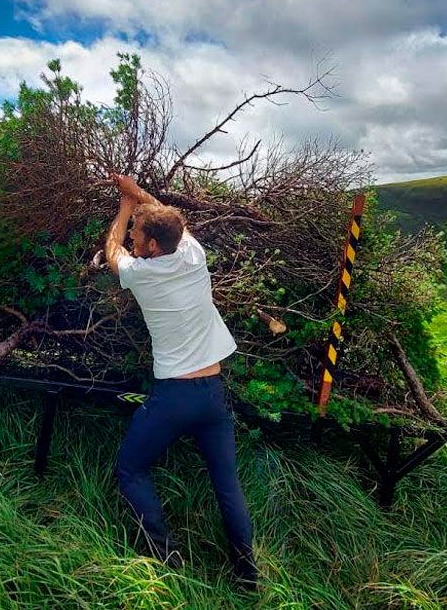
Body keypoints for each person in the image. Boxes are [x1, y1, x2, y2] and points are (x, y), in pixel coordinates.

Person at [104, 172, 257, 587]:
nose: (134, 239)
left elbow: (112, 249)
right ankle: (248, 575)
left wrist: (123, 210)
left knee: (131, 468)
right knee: (228, 485)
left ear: (153, 246)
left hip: (174, 397)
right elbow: (167, 221)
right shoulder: (193, 253)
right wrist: (136, 194)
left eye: (139, 235)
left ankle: (166, 556)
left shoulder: (140, 274)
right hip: (212, 395)